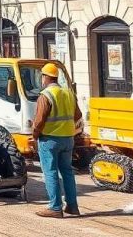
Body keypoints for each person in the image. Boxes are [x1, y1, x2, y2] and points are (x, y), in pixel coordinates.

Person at [30, 62, 82, 218]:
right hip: (68, 139)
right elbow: (77, 115)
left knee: (50, 172)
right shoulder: (68, 93)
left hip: (50, 140)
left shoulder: (45, 95)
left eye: (42, 77)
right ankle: (72, 206)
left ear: (45, 77)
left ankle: (55, 207)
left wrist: (34, 136)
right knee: (67, 172)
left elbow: (39, 122)